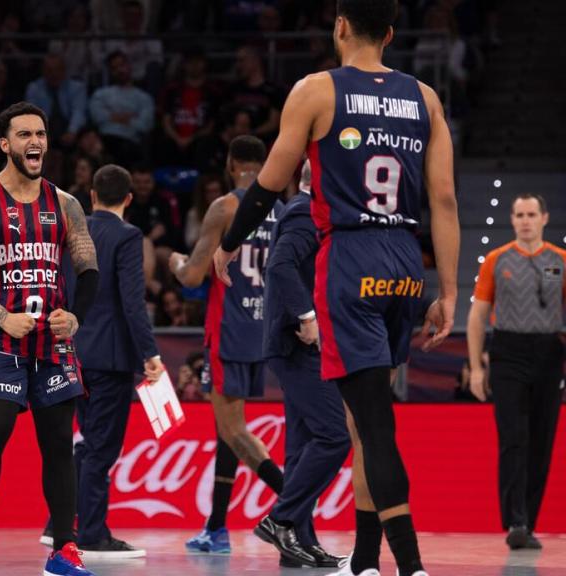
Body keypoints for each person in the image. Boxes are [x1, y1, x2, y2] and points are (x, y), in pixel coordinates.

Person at [213, 2, 460, 574]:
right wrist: (446, 292)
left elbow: (270, 182)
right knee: (362, 421)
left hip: (351, 257)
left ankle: (410, 563)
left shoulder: (316, 90)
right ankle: (365, 558)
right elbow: (444, 199)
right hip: (405, 262)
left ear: (341, 26)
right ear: (392, 34)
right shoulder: (426, 97)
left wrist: (229, 243)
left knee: (373, 426)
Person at [0, 102, 100, 576]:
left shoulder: (66, 204)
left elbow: (89, 268)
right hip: (1, 338)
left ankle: (64, 547)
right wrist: (2, 315)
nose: (35, 142)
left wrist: (74, 316)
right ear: (5, 144)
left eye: (41, 133)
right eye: (25, 134)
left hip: (53, 344)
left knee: (58, 444)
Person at [169, 135, 286, 555]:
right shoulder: (283, 209)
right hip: (266, 331)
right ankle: (216, 527)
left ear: (232, 163)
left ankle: (294, 504)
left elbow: (194, 277)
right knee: (227, 429)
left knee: (234, 430)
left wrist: (174, 261)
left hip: (230, 329)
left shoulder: (226, 207)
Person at [63, 164, 163, 558]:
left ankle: (62, 521)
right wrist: (150, 355)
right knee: (101, 448)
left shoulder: (73, 231)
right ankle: (90, 534)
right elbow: (132, 302)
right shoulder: (128, 235)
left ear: (91, 196)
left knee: (87, 443)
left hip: (72, 353)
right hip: (111, 358)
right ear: (128, 198)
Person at [253, 163, 349, 568]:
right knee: (334, 436)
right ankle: (281, 519)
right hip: (297, 343)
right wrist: (307, 318)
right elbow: (279, 266)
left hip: (297, 344)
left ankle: (298, 543)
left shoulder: (308, 211)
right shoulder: (304, 210)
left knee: (301, 448)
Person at [467, 193, 565, 550]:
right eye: (519, 214)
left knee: (542, 440)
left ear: (544, 218)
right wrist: (476, 367)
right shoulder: (497, 259)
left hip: (549, 352)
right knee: (513, 437)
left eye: (531, 214)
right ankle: (515, 520)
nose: (525, 220)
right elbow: (478, 315)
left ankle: (529, 522)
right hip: (508, 351)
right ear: (512, 219)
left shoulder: (561, 260)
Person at [89, 51, 155, 167]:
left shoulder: (144, 98)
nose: (120, 70)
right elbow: (98, 118)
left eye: (122, 65)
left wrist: (113, 116)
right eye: (115, 68)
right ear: (110, 72)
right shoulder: (101, 94)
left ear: (129, 66)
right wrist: (129, 117)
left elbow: (145, 125)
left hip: (131, 142)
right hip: (106, 140)